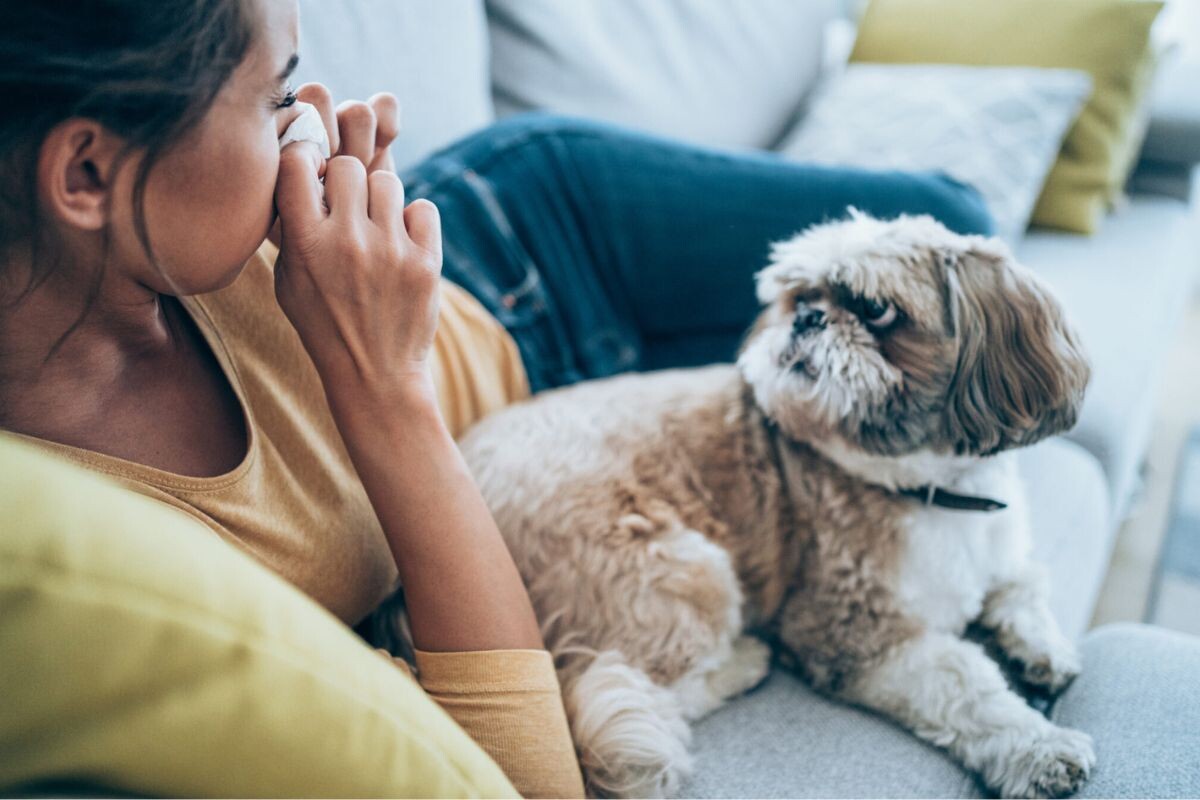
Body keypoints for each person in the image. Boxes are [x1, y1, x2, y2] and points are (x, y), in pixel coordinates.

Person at [0, 0, 991, 796]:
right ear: (86, 172)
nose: (311, 130)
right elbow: (528, 781)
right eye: (276, 100)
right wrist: (383, 387)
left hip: (534, 229)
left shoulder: (175, 241)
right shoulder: (95, 542)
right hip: (563, 441)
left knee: (956, 238)